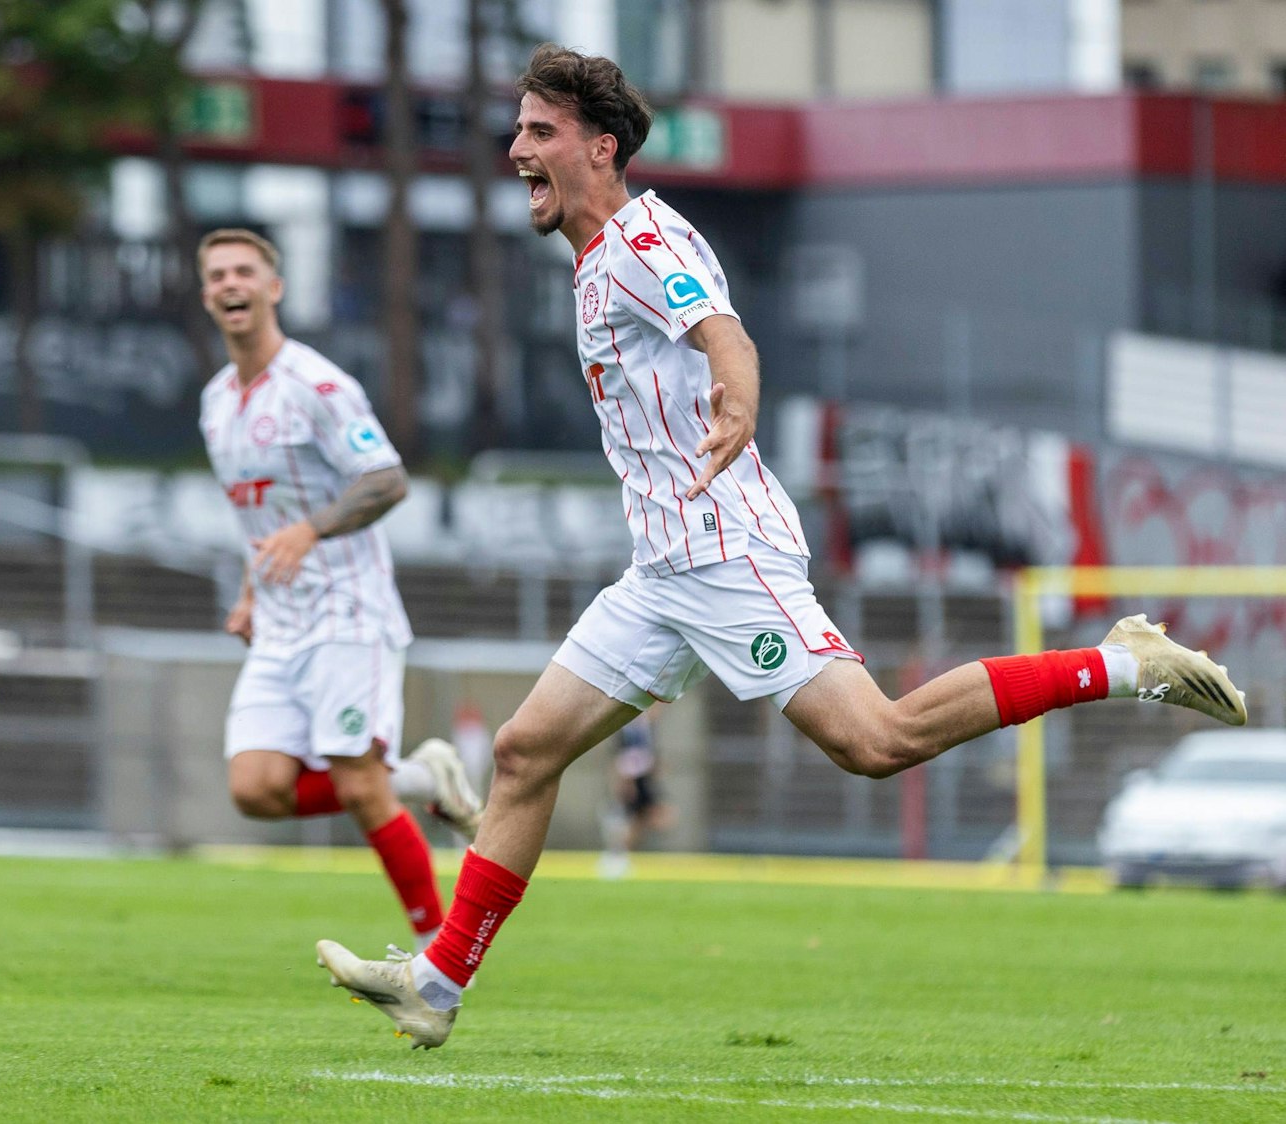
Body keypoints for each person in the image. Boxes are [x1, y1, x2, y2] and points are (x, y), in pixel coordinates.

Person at [315, 43, 1248, 1049]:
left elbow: (725, 336)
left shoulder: (640, 245)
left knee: (874, 740)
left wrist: (740, 402)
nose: (516, 151)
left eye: (538, 133)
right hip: (663, 569)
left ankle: (1123, 662)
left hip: (726, 552)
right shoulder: (595, 262)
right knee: (522, 750)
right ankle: (439, 984)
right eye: (517, 131)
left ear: (598, 146)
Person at [197, 228, 485, 951]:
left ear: (274, 287)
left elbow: (386, 477)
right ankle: (423, 779)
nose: (230, 284)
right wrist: (249, 592)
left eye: (244, 272)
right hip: (282, 618)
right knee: (254, 789)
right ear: (206, 294)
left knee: (359, 786)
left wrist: (312, 532)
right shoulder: (215, 402)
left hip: (347, 612)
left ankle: (439, 957)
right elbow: (252, 514)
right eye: (217, 275)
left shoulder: (318, 387)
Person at [598, 711, 670, 879]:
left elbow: (647, 752)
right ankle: (616, 854)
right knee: (636, 818)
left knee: (643, 818)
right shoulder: (627, 728)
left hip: (644, 779)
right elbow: (621, 756)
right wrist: (625, 781)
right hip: (632, 779)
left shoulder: (648, 728)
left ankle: (619, 853)